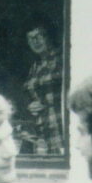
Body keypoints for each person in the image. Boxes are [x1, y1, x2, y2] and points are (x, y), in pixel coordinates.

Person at [24, 18, 64, 156]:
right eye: (30, 38)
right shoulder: (35, 67)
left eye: (39, 35)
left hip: (60, 129)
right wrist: (31, 105)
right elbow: (35, 96)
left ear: (48, 36)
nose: (35, 41)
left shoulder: (62, 59)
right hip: (42, 132)